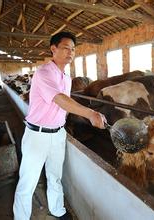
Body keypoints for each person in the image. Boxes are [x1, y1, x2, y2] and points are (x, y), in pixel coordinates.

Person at [13, 32, 106, 220]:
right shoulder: (44, 72)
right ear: (53, 49)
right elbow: (60, 100)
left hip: (58, 133)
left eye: (73, 49)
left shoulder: (67, 78)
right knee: (28, 182)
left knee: (54, 176)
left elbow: (63, 106)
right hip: (37, 135)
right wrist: (90, 113)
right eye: (65, 48)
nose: (70, 53)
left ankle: (57, 210)